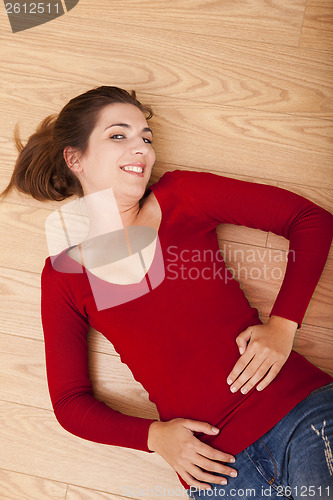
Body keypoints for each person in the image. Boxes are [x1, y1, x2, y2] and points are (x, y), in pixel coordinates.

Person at [1, 86, 332, 499]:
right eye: (118, 136)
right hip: (215, 474)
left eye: (146, 138)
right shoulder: (64, 274)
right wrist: (154, 437)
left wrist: (283, 325)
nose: (141, 148)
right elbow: (70, 403)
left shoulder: (182, 197)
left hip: (299, 414)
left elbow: (309, 220)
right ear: (75, 158)